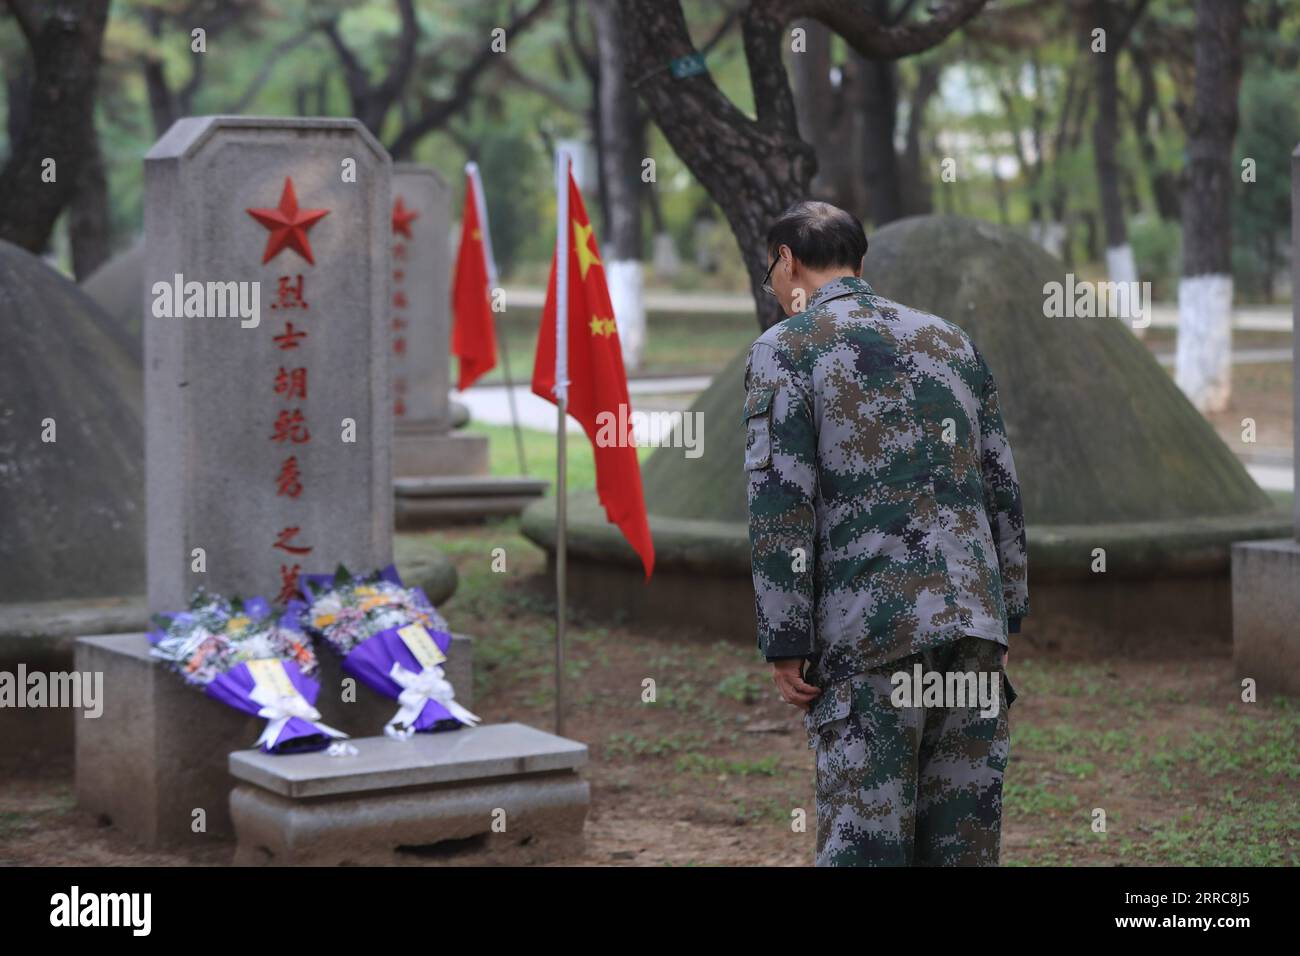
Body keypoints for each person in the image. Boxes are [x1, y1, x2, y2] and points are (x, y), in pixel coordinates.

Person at [743, 200, 1028, 866]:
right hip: (972, 633)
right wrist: (1005, 616)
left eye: (771, 274)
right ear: (859, 262)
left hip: (872, 638)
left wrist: (786, 638)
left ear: (786, 262)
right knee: (962, 846)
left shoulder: (785, 348)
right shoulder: (951, 340)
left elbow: (780, 501)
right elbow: (1002, 490)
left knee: (866, 845)